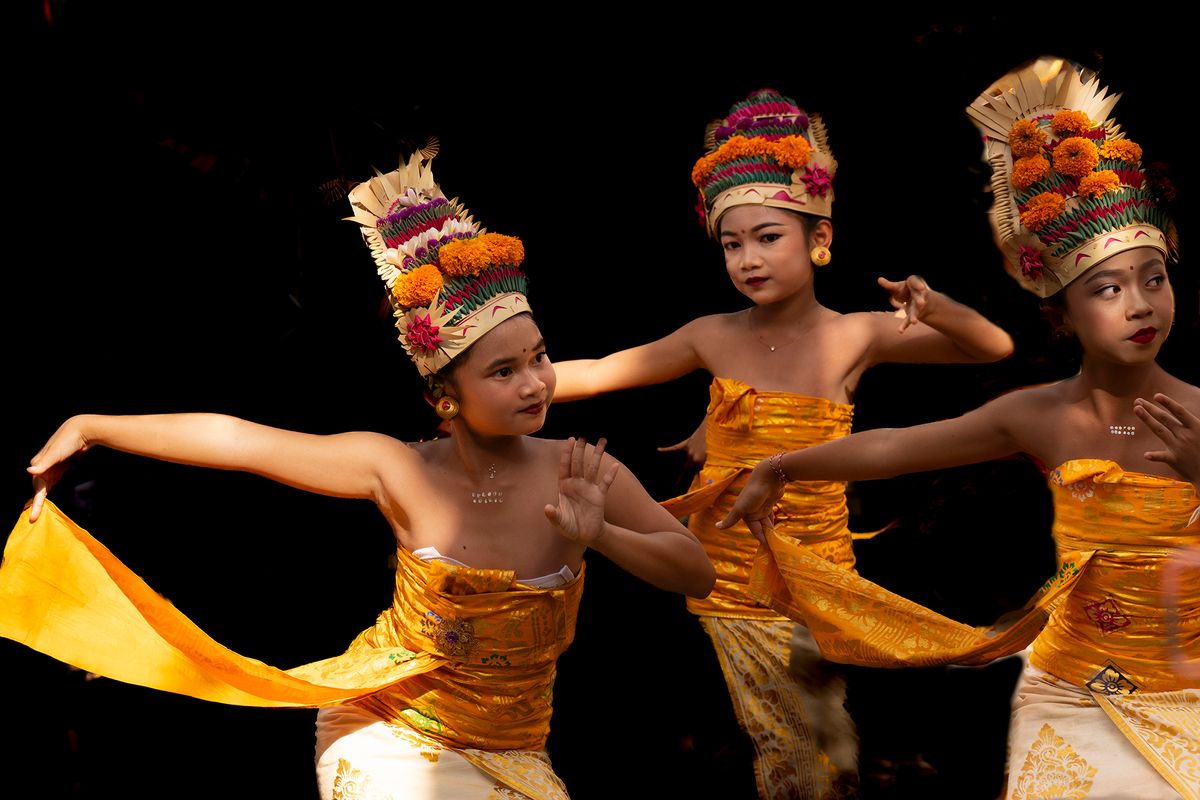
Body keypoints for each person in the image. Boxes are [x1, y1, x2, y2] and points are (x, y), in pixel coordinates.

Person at [0, 149, 715, 800]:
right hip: (387, 731)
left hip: (515, 751)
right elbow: (242, 442)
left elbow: (695, 572)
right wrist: (93, 426)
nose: (535, 384)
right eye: (504, 371)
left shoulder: (582, 472)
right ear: (445, 399)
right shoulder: (395, 468)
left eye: (538, 359)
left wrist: (604, 537)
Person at [721, 59, 1199, 800]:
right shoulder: (1040, 415)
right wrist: (782, 468)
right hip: (1069, 698)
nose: (1139, 303)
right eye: (1108, 288)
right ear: (1062, 312)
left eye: (1153, 278)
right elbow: (893, 448)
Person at [550, 88, 1015, 797]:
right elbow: (602, 371)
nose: (747, 259)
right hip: (729, 572)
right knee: (790, 743)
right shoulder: (712, 334)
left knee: (824, 744)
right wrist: (503, 381)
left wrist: (938, 306)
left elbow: (991, 347)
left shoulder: (854, 334)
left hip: (815, 567)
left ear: (819, 240)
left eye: (768, 238)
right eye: (732, 244)